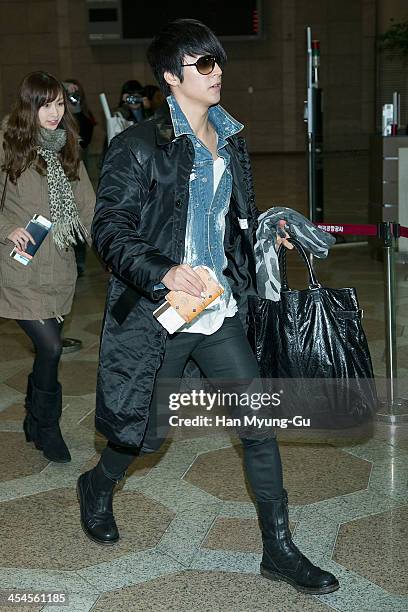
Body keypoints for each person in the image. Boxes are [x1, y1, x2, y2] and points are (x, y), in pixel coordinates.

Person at [78, 20, 339, 596]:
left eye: (217, 61)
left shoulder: (231, 139)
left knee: (258, 428)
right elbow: (110, 231)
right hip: (163, 317)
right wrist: (165, 270)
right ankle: (98, 485)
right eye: (202, 64)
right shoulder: (137, 146)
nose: (216, 71)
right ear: (171, 77)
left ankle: (280, 549)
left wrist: (266, 235)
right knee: (142, 435)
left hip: (220, 314)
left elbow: (228, 224)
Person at [0, 71, 95, 463]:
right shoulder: (8, 143)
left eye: (60, 104)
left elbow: (87, 205)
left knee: (47, 353)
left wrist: (111, 248)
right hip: (20, 267)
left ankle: (32, 418)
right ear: (29, 106)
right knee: (52, 347)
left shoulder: (68, 146)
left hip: (59, 266)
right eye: (46, 105)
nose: (55, 113)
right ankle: (46, 424)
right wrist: (7, 229)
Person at [63, 78, 97, 276]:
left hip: (79, 166)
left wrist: (75, 102)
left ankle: (81, 261)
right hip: (64, 171)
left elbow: (84, 131)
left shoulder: (83, 113)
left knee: (83, 213)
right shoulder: (57, 113)